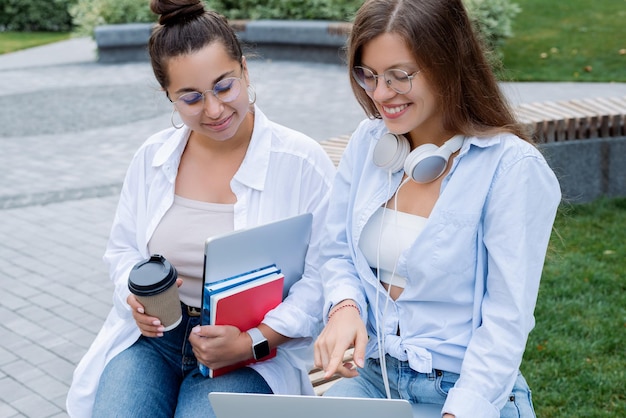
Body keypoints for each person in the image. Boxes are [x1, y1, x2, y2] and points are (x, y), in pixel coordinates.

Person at [65, 0, 335, 416]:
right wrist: (133, 299)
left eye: (224, 86)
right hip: (154, 340)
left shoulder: (300, 161)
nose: (213, 110)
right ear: (168, 96)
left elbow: (323, 274)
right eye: (190, 98)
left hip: (251, 351)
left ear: (245, 70)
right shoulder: (152, 158)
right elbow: (121, 251)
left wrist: (254, 340)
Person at [313, 0, 561, 417]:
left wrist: (460, 411)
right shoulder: (368, 141)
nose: (379, 95)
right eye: (369, 75)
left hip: (461, 390)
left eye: (399, 76)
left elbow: (506, 321)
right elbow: (336, 250)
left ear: (448, 64)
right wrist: (344, 307)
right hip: (375, 379)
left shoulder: (511, 168)